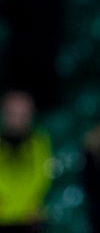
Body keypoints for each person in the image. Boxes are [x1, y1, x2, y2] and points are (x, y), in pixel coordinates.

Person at [0, 91, 52, 232]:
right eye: (13, 112)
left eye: (23, 113)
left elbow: (42, 177)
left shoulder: (40, 142)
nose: (18, 118)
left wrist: (30, 205)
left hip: (30, 220)